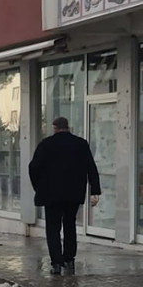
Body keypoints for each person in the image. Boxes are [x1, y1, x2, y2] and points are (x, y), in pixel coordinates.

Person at [28, 117, 101, 275]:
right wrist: (95, 190)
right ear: (68, 127)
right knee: (70, 225)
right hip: (73, 194)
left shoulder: (46, 144)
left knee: (53, 228)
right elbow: (91, 167)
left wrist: (38, 187)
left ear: (54, 128)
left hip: (51, 194)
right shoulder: (81, 144)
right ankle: (69, 259)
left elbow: (33, 167)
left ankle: (56, 263)